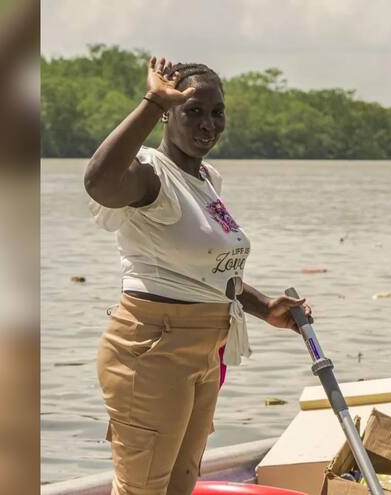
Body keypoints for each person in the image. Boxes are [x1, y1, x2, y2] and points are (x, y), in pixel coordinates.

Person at [84, 55, 314, 495]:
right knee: (142, 489)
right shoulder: (151, 177)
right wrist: (151, 100)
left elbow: (208, 272)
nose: (208, 123)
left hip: (205, 351)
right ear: (167, 114)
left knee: (181, 485)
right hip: (152, 350)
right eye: (193, 111)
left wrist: (265, 307)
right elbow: (99, 182)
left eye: (216, 112)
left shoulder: (206, 179)